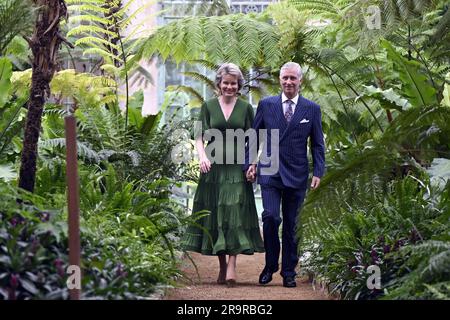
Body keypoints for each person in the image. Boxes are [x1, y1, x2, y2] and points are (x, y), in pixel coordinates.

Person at [182, 63, 264, 287]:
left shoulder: (246, 108)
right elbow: (198, 136)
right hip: (214, 169)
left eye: (234, 83)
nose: (229, 86)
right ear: (219, 84)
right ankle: (220, 264)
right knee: (217, 212)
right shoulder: (208, 106)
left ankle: (232, 266)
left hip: (237, 168)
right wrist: (202, 157)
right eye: (226, 82)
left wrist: (253, 164)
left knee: (234, 212)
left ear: (239, 86)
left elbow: (254, 138)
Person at [245, 62, 325, 288]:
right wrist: (250, 162)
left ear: (300, 81)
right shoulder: (267, 104)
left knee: (292, 225)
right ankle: (270, 265)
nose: (288, 82)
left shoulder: (312, 109)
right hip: (269, 171)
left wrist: (318, 171)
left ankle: (288, 271)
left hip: (297, 173)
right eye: (285, 78)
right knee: (270, 217)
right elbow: (253, 135)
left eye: (293, 78)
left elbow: (318, 145)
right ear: (280, 80)